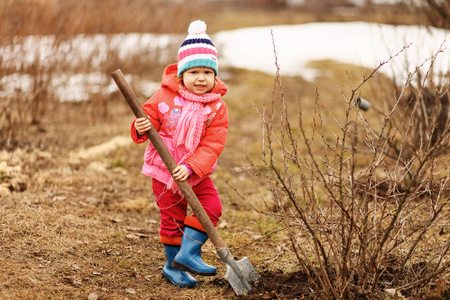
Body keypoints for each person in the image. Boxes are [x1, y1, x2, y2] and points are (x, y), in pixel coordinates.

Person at [130, 20, 228, 288]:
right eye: (194, 71)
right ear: (181, 74)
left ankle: (188, 254)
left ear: (215, 76)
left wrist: (193, 166)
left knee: (212, 206)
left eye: (208, 72)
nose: (201, 78)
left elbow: (213, 143)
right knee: (172, 220)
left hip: (195, 171)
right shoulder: (164, 95)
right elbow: (148, 119)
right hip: (164, 170)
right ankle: (173, 268)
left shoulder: (217, 107)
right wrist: (141, 126)